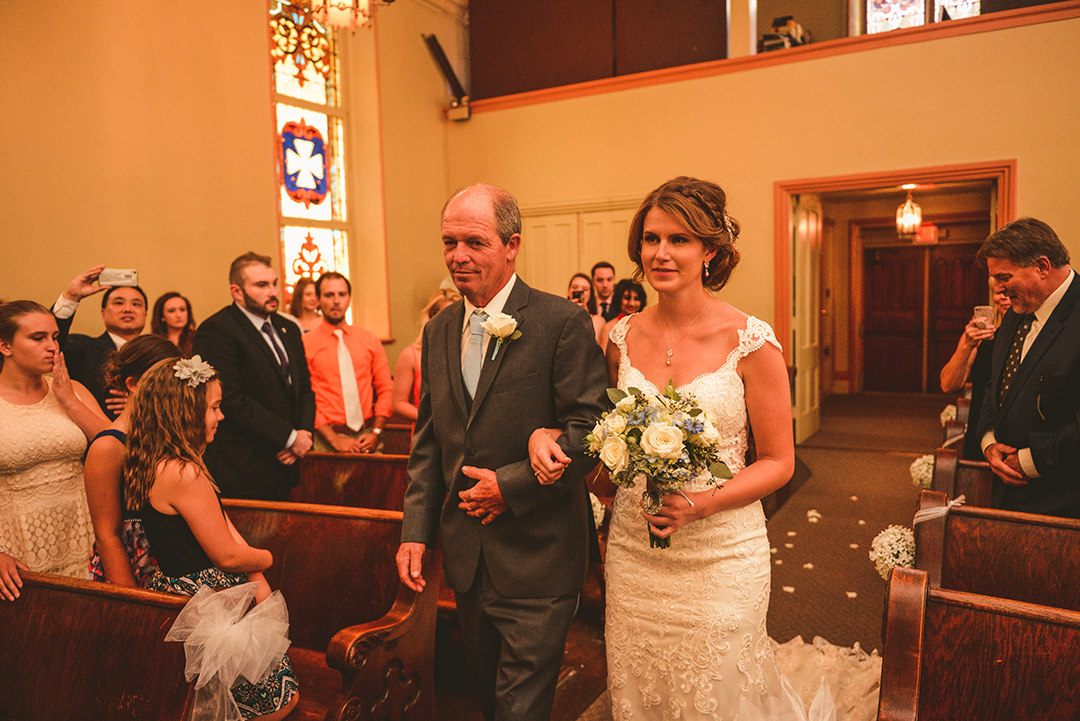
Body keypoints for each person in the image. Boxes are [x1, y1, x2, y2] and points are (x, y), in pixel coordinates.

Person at [531, 177, 812, 718]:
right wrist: (548, 441)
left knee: (716, 691)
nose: (661, 253)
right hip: (636, 552)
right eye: (651, 238)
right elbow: (599, 442)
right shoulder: (618, 337)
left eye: (679, 239)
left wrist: (702, 503)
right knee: (642, 685)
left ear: (710, 250)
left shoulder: (751, 341)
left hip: (724, 551)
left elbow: (780, 462)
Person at [396, 184, 608, 721]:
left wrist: (509, 486)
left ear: (512, 245)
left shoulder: (561, 322)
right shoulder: (439, 330)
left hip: (539, 555)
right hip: (469, 558)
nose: (458, 256)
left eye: (474, 242)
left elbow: (593, 432)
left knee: (519, 708)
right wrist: (416, 533)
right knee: (492, 703)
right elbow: (429, 446)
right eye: (449, 242)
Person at [124, 357, 299, 719]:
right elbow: (227, 556)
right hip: (212, 602)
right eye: (214, 408)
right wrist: (266, 559)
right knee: (276, 705)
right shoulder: (183, 472)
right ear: (184, 412)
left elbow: (222, 527)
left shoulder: (154, 461)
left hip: (181, 592)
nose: (221, 417)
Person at [0, 301, 109, 597]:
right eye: (38, 338)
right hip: (14, 549)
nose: (52, 347)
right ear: (5, 346)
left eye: (55, 337)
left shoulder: (71, 389)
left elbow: (116, 451)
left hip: (82, 536)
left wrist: (69, 399)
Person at [975, 217, 1080, 519]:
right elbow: (995, 384)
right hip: (1007, 494)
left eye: (1004, 276)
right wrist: (989, 442)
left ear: (1042, 267)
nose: (999, 289)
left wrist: (1032, 460)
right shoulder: (1019, 308)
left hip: (1063, 506)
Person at [193, 252, 315, 501]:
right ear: (237, 291)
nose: (273, 292)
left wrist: (302, 434)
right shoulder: (218, 330)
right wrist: (290, 438)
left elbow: (304, 389)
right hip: (244, 466)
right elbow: (231, 399)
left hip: (287, 463)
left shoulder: (288, 327)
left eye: (274, 283)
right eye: (261, 285)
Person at [84, 335, 181, 587]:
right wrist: (131, 599)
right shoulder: (108, 445)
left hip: (172, 556)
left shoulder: (170, 436)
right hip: (132, 565)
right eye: (166, 382)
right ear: (134, 384)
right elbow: (107, 534)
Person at [302, 271, 393, 453]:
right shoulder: (305, 344)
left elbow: (386, 388)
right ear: (318, 300)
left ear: (349, 298)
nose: (336, 301)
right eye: (329, 295)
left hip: (367, 435)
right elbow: (305, 398)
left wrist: (376, 432)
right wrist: (333, 439)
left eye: (342, 295)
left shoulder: (369, 340)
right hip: (326, 438)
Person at [53, 270, 148, 420]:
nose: (128, 309)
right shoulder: (83, 348)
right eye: (119, 303)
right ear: (103, 314)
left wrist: (141, 403)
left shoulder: (158, 355)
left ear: (145, 315)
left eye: (136, 304)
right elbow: (53, 344)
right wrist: (71, 298)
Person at [939, 282, 1011, 460]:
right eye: (997, 292)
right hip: (980, 429)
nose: (1002, 296)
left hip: (1010, 437)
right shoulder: (981, 337)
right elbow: (948, 384)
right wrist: (967, 346)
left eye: (1008, 290)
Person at [392, 288, 461, 425]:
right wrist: (432, 420)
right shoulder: (412, 355)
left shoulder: (469, 352)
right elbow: (398, 403)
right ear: (431, 319)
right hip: (427, 433)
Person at [598, 278, 648, 352]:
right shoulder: (609, 327)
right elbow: (604, 358)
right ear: (619, 299)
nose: (632, 303)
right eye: (627, 298)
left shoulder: (647, 325)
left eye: (636, 299)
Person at [150, 292, 197, 356]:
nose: (178, 315)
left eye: (182, 310)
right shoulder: (153, 342)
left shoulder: (197, 338)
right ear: (162, 316)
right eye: (171, 311)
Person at [567, 272, 605, 342]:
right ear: (568, 291)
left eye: (585, 289)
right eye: (575, 287)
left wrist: (585, 317)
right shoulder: (560, 316)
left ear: (591, 294)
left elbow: (595, 347)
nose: (579, 291)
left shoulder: (599, 321)